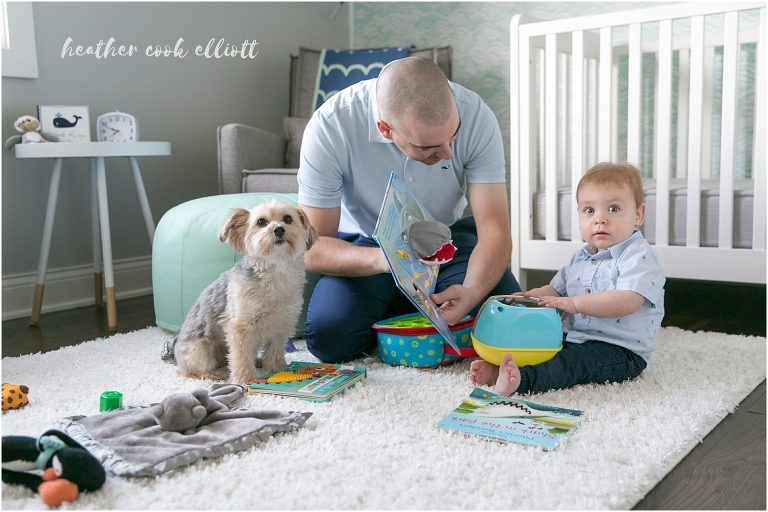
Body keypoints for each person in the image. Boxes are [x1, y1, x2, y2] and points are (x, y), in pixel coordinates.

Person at [297, 57, 520, 363]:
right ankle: (406, 306)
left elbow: (495, 230)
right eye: (427, 148)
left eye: (452, 136)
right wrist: (389, 260)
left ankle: (408, 309)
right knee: (329, 339)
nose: (447, 154)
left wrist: (471, 290)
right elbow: (312, 247)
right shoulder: (330, 126)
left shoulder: (476, 115)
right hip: (367, 245)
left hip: (447, 239)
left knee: (505, 322)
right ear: (385, 129)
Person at [470, 162, 665, 395]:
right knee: (539, 344)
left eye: (613, 209)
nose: (600, 219)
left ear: (638, 214)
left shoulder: (638, 256)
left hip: (619, 350)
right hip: (574, 336)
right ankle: (499, 369)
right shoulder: (581, 258)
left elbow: (628, 300)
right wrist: (535, 296)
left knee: (571, 365)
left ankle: (522, 381)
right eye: (589, 210)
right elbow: (556, 290)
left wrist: (574, 304)